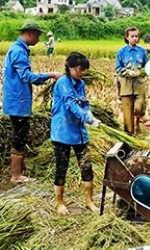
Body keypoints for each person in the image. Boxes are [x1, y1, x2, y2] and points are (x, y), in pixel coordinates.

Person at [1, 19, 63, 184]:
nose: (38, 38)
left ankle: (21, 170)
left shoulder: (17, 48)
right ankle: (16, 176)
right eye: (37, 35)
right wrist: (50, 75)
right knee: (19, 136)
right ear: (29, 33)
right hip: (18, 101)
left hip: (15, 99)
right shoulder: (18, 51)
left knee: (20, 133)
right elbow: (26, 76)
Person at [50, 52, 101, 215]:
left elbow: (84, 103)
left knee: (87, 167)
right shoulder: (63, 83)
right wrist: (87, 118)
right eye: (81, 69)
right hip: (62, 132)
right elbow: (71, 105)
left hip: (79, 133)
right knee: (61, 168)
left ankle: (89, 201)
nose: (83, 72)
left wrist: (90, 115)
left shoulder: (80, 83)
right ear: (70, 68)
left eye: (85, 69)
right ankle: (59, 203)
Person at [115, 26, 149, 135]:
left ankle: (138, 120)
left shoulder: (142, 51)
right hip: (126, 86)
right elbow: (117, 68)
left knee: (139, 108)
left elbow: (147, 67)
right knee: (127, 113)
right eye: (132, 36)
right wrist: (127, 72)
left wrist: (140, 72)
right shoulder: (121, 52)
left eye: (137, 36)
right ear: (127, 37)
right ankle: (130, 136)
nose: (135, 38)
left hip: (139, 85)